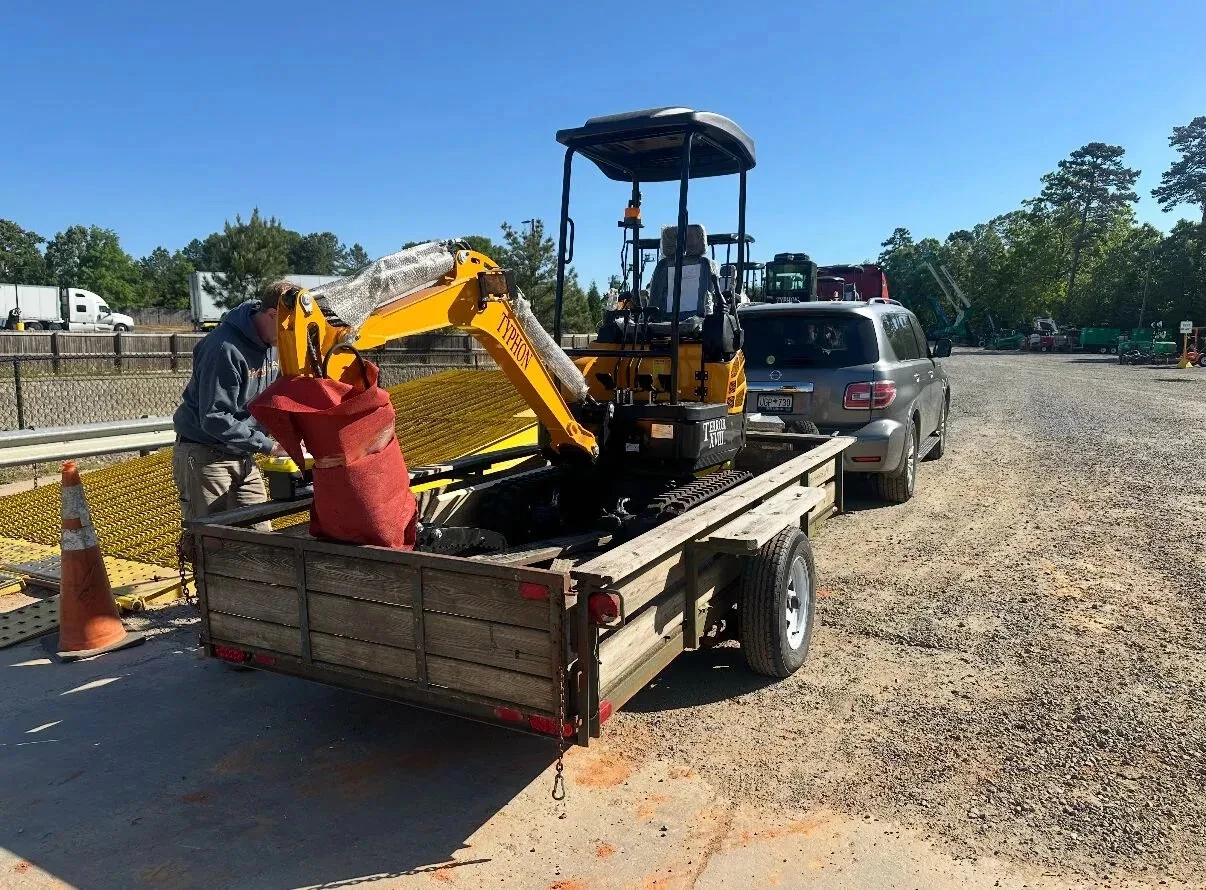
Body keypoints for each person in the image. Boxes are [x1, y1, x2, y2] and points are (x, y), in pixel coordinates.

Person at [171, 282, 291, 526]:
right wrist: (268, 445)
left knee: (262, 535)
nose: (291, 334)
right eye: (290, 326)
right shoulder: (224, 348)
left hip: (244, 454)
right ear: (272, 315)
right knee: (212, 541)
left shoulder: (274, 346)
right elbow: (214, 418)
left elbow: (276, 397)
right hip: (206, 455)